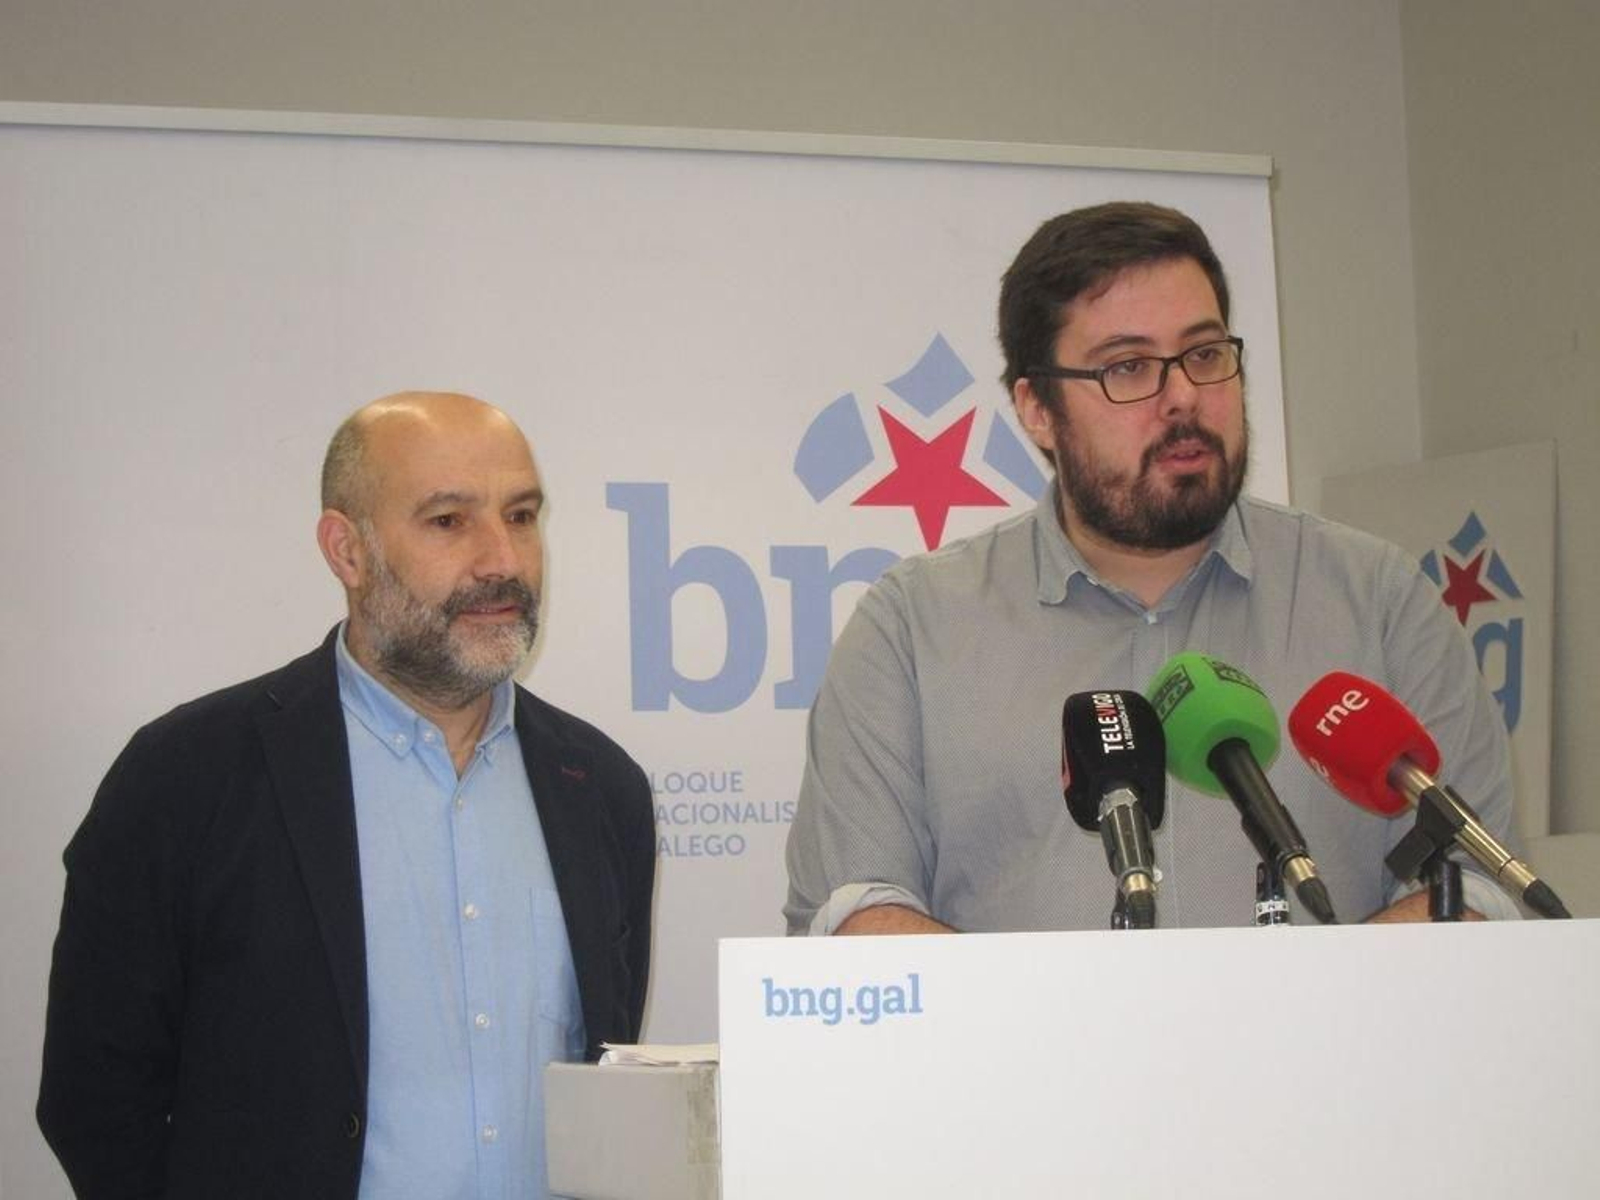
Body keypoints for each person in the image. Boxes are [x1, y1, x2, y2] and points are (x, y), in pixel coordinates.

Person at [785, 202, 1518, 936]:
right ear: (1037, 409)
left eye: (1204, 355)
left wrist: (1316, 1017)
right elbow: (855, 910)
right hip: (1024, 1052)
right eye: (1128, 367)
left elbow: (1479, 886)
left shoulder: (1379, 603)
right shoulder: (913, 630)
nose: (1183, 398)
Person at [38, 392, 656, 1200]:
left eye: (522, 515)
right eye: (448, 521)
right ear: (347, 550)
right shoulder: (186, 777)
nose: (502, 558)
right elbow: (96, 1098)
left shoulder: (602, 788)